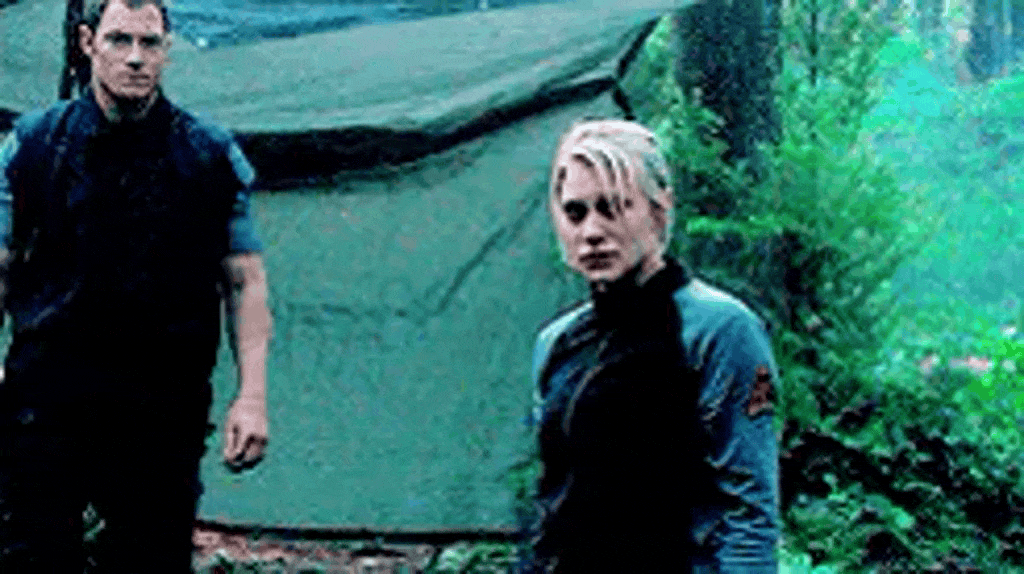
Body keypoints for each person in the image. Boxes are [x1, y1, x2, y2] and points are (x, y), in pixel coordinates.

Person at [0, 0, 272, 571]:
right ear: (87, 44)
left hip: (160, 407)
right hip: (48, 401)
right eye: (119, 40)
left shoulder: (209, 155)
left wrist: (251, 398)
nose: (134, 58)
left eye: (149, 44)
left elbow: (245, 282)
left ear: (167, 51)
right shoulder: (34, 145)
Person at [519, 118, 780, 573]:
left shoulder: (719, 330)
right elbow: (551, 501)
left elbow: (749, 514)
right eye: (575, 212)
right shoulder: (557, 343)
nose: (592, 231)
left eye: (613, 207)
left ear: (659, 210)